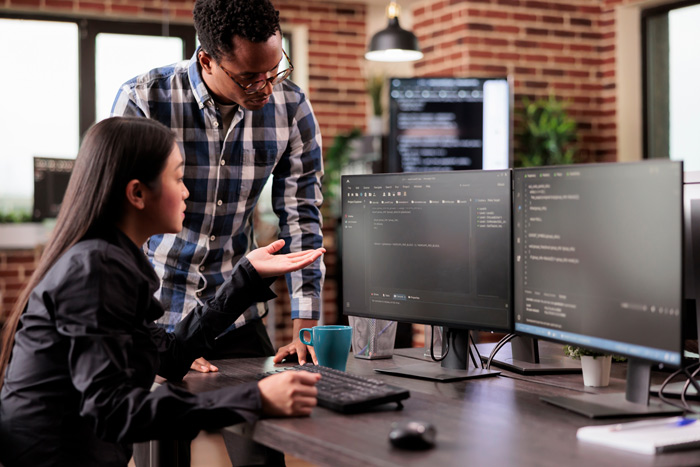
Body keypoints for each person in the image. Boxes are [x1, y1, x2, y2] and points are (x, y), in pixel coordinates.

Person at [0, 117, 324, 467]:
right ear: (137, 193)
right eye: (178, 177)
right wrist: (254, 398)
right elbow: (112, 411)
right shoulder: (96, 270)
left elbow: (168, 358)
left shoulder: (109, 260)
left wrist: (247, 276)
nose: (187, 192)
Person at [111, 0, 324, 371]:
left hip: (236, 316)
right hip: (159, 315)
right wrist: (169, 346)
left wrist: (304, 330)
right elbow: (117, 224)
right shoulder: (145, 99)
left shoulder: (292, 108)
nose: (267, 88)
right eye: (250, 77)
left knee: (267, 417)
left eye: (275, 71)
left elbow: (301, 216)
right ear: (207, 60)